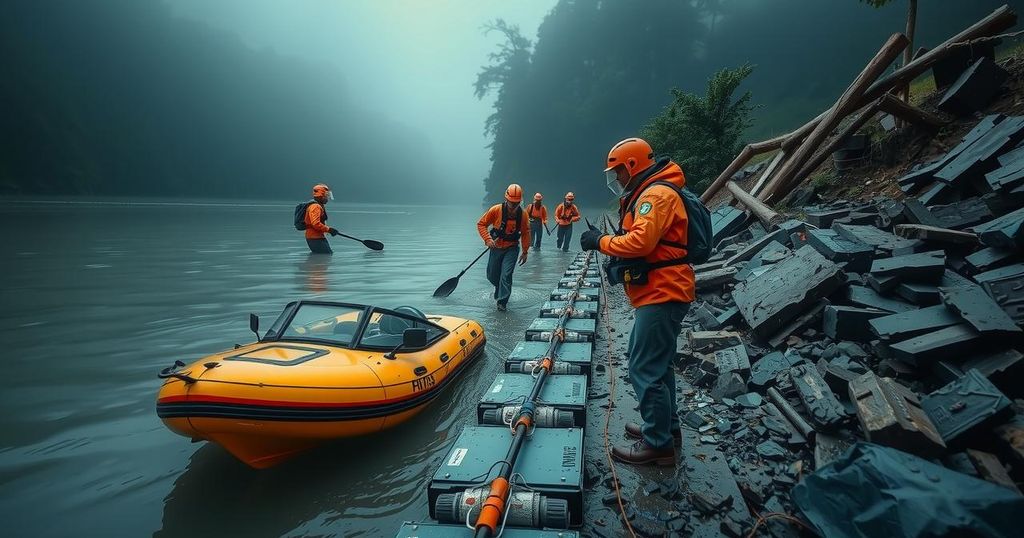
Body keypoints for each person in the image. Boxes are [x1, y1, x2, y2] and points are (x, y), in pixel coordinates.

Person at [579, 138, 695, 466]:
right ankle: (665, 429)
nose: (616, 178)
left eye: (618, 170)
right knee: (658, 364)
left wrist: (600, 241)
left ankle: (657, 445)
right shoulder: (653, 191)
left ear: (632, 166)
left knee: (644, 365)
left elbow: (641, 242)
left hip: (663, 292)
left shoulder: (655, 195)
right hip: (661, 293)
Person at [476, 183, 531, 311]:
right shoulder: (496, 210)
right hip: (495, 248)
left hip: (511, 249)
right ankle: (499, 288)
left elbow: (526, 233)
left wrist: (525, 251)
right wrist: (488, 239)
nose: (514, 206)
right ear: (506, 199)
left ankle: (502, 303)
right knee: (491, 275)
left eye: (517, 203)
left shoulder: (523, 215)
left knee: (506, 275)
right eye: (512, 203)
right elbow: (481, 224)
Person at [304, 183, 340, 254]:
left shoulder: (317, 205)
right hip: (315, 238)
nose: (327, 198)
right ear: (321, 196)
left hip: (315, 237)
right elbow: (315, 224)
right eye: (326, 196)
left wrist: (329, 230)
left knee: (325, 257)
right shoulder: (315, 207)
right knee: (327, 256)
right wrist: (329, 230)